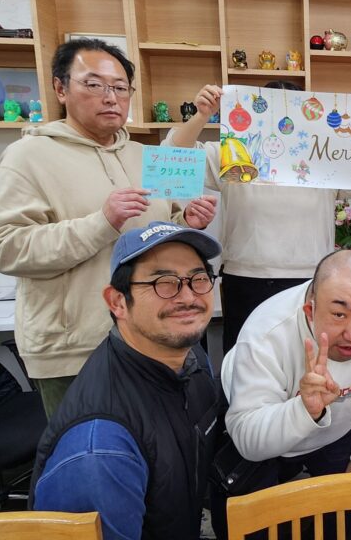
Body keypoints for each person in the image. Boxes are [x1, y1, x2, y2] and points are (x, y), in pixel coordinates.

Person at [0, 39, 218, 417]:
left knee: (160, 443)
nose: (110, 97)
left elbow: (157, 234)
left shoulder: (143, 155)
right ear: (61, 88)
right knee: (87, 446)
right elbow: (5, 248)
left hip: (150, 338)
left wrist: (185, 222)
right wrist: (102, 222)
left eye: (120, 88)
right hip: (74, 350)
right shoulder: (27, 156)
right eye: (94, 84)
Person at [31, 221, 224, 540]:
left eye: (199, 279)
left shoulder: (190, 358)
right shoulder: (101, 449)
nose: (188, 296)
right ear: (117, 302)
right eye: (164, 283)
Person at [216, 249, 351, 538]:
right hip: (257, 424)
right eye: (339, 314)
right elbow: (249, 441)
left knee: (349, 521)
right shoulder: (266, 333)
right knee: (250, 523)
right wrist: (304, 410)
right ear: (310, 311)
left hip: (338, 427)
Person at [167, 80, 351, 357]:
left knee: (306, 360)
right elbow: (170, 160)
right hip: (246, 277)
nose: (283, 121)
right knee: (245, 359)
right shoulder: (232, 150)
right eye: (271, 110)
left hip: (311, 277)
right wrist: (201, 115)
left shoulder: (323, 154)